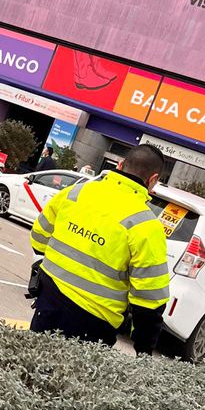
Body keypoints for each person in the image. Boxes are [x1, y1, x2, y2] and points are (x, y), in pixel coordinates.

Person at [28, 143, 172, 354]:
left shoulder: (76, 192)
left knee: (29, 368)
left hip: (48, 302)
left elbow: (38, 237)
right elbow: (149, 301)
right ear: (152, 180)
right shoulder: (146, 225)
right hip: (93, 324)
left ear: (120, 165)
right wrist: (144, 350)